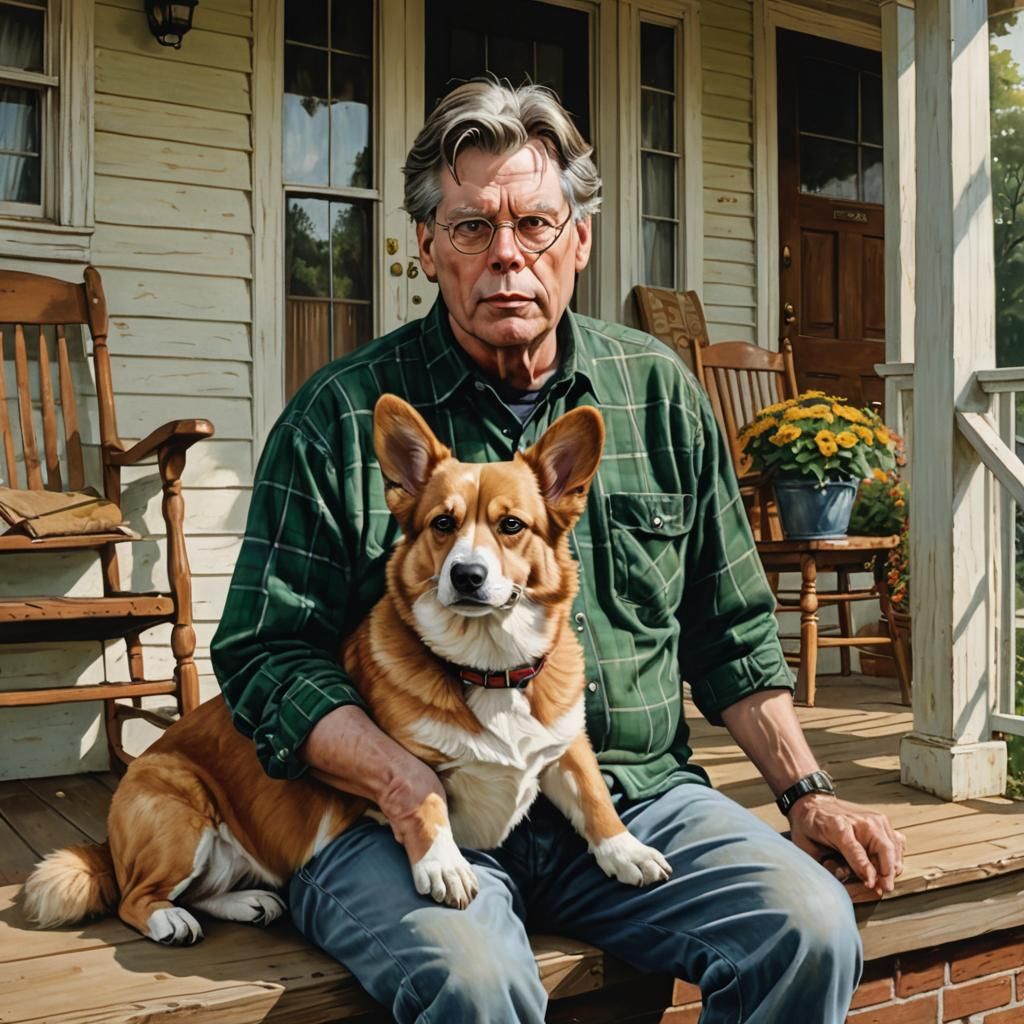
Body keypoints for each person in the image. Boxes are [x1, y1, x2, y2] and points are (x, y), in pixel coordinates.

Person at [211, 80, 904, 1023]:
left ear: (578, 240)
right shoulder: (339, 416)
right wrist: (399, 780)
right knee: (474, 984)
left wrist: (807, 791)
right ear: (426, 248)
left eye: (535, 223)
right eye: (470, 227)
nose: (506, 255)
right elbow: (263, 654)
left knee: (810, 928)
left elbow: (732, 628)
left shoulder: (656, 393)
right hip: (400, 814)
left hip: (625, 795)